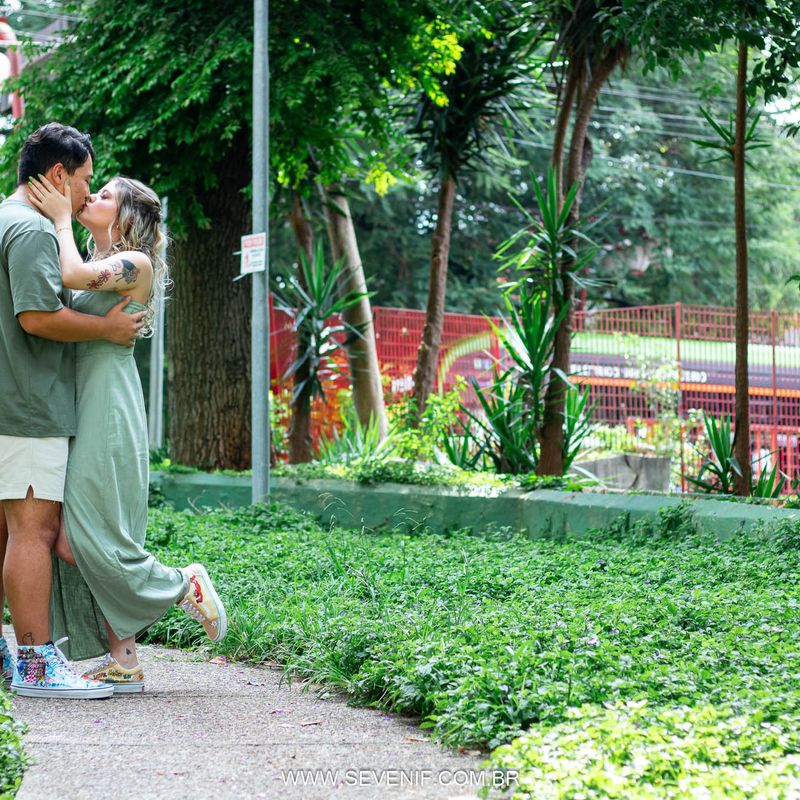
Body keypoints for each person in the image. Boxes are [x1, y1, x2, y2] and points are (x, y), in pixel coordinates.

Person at [26, 171, 227, 695]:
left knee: (82, 539)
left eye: (106, 194)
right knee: (79, 537)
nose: (92, 196)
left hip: (106, 407)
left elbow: (70, 275)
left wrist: (61, 218)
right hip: (78, 404)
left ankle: (184, 583)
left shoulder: (134, 263)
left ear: (128, 217)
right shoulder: (102, 262)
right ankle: (125, 658)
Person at [0, 122, 144, 699]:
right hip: (27, 402)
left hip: (9, 400)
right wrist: (106, 328)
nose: (87, 194)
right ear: (58, 174)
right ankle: (36, 668)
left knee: (9, 532)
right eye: (86, 180)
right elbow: (36, 316)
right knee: (34, 532)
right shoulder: (34, 230)